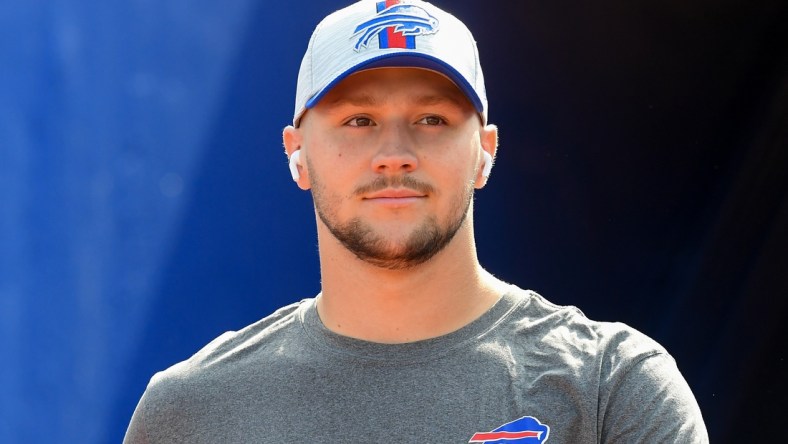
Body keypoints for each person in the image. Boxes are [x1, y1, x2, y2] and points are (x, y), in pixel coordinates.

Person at [124, 0, 708, 442]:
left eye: (431, 118)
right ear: (296, 151)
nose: (395, 152)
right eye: (358, 120)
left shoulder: (613, 386)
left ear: (485, 149)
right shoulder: (194, 411)